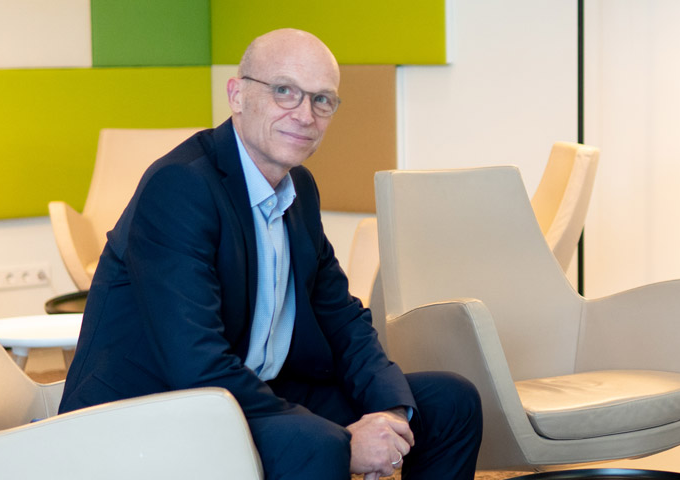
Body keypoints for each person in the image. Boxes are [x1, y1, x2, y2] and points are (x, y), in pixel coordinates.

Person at [59, 29, 482, 479]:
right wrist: (346, 440)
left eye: (322, 100)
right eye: (284, 91)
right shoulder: (181, 186)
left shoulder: (299, 188)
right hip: (154, 409)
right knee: (318, 443)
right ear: (237, 95)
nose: (305, 114)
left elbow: (342, 319)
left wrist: (390, 410)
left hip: (253, 391)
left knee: (449, 402)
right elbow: (196, 363)